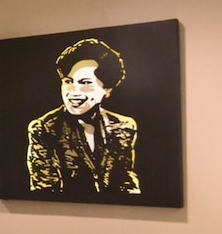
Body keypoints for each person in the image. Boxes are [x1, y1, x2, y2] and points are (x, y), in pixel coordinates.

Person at [27, 38, 140, 196]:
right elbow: (44, 190)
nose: (74, 92)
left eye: (85, 83)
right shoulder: (45, 129)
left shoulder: (123, 127)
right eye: (68, 82)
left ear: (107, 90)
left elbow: (126, 183)